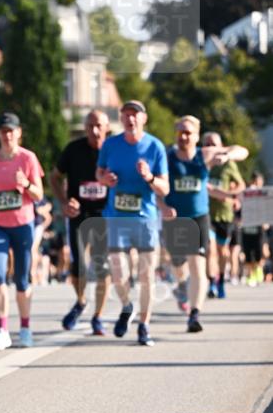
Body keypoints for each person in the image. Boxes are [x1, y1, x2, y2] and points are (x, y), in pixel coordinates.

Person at [161, 115, 248, 333]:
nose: (183, 136)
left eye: (188, 133)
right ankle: (182, 287)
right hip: (174, 218)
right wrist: (162, 206)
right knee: (178, 265)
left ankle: (194, 314)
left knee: (198, 265)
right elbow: (156, 186)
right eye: (180, 132)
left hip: (198, 217)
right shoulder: (167, 157)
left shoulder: (205, 154)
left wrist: (227, 155)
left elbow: (242, 151)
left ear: (196, 136)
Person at [96, 100, 170, 347]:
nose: (130, 119)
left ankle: (144, 325)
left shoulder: (155, 147)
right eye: (126, 114)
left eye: (135, 114)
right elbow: (99, 173)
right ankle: (127, 306)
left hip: (145, 218)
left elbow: (165, 188)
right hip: (116, 217)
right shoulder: (110, 144)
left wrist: (149, 177)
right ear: (121, 118)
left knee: (146, 275)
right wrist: (105, 179)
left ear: (143, 119)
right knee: (118, 273)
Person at [0, 112, 45, 350]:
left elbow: (39, 194)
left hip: (23, 225)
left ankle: (25, 328)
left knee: (22, 279)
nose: (7, 135)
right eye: (3, 131)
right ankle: (2, 330)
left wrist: (25, 183)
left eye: (11, 131)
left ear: (18, 133)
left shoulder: (28, 158)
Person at [50, 110, 111, 335]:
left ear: (107, 128)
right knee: (78, 265)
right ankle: (81, 300)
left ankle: (98, 316)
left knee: (102, 265)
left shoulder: (113, 150)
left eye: (98, 126)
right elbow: (54, 177)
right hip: (78, 213)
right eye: (89, 126)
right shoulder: (73, 150)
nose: (94, 130)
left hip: (104, 214)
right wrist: (64, 202)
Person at [204, 130, 246, 298]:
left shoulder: (228, 164)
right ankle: (211, 283)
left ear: (221, 146)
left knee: (222, 252)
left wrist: (230, 195)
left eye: (213, 144)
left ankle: (221, 280)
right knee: (210, 249)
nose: (210, 147)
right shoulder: (202, 163)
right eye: (206, 144)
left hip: (224, 214)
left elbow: (241, 185)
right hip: (206, 212)